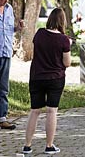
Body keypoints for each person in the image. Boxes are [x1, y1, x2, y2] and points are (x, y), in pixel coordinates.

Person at [22, 8, 71, 154]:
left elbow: (37, 51)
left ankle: (27, 145)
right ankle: (49, 146)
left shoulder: (39, 34)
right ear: (63, 21)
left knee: (34, 111)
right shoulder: (64, 39)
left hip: (37, 77)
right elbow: (67, 62)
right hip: (55, 78)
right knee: (51, 111)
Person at [0, 0, 24, 131]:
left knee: (3, 87)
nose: (6, 1)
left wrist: (18, 28)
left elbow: (9, 30)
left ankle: (1, 118)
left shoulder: (9, 9)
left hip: (6, 51)